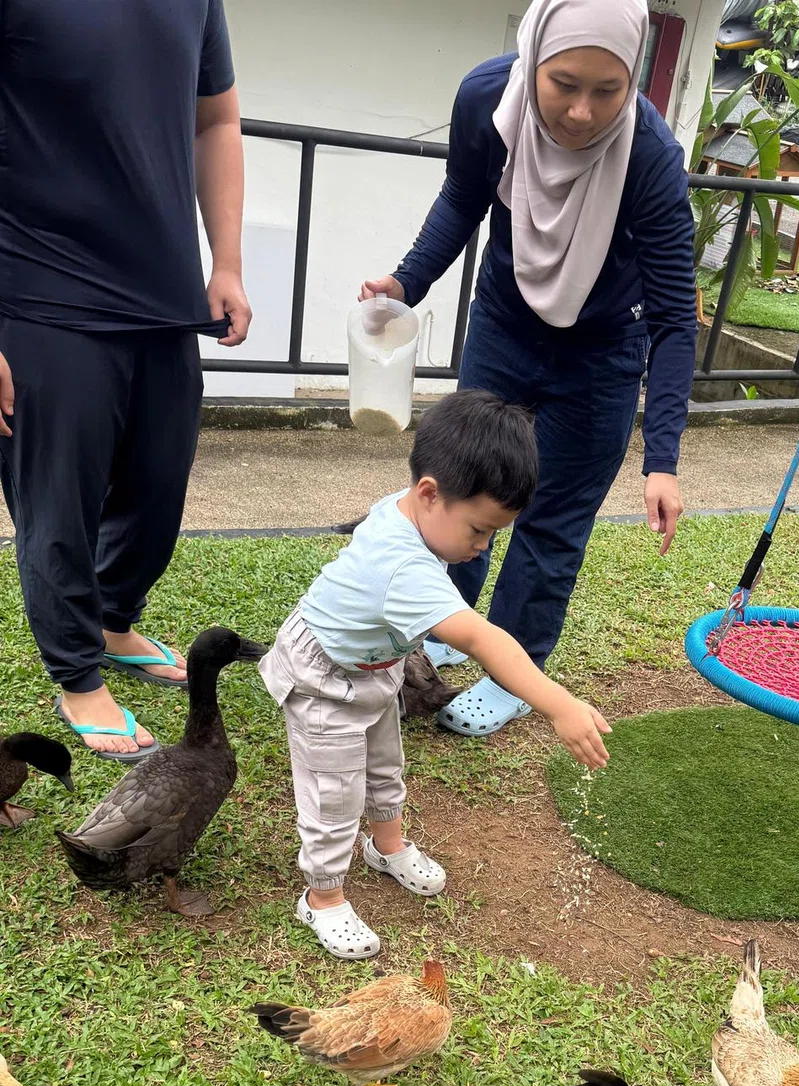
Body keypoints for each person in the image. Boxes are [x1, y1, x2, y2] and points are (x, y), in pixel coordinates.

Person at [361, 0, 696, 738]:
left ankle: (513, 674)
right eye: (564, 83)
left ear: (633, 77)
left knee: (551, 523)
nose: (581, 112)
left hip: (604, 351)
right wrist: (404, 283)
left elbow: (676, 317)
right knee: (459, 491)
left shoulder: (650, 157)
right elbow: (463, 199)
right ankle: (431, 628)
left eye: (608, 90)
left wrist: (662, 460)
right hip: (506, 326)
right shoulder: (487, 99)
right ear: (532, 57)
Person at [259, 390, 610, 961]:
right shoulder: (405, 565)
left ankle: (386, 846)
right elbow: (482, 638)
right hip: (323, 677)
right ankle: (321, 897)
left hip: (374, 668)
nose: (482, 546)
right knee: (334, 792)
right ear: (429, 493)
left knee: (383, 762)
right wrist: (558, 704)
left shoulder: (412, 507)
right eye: (478, 530)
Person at [0, 0, 251, 762]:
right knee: (58, 505)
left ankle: (114, 621)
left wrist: (228, 262)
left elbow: (217, 121)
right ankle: (77, 674)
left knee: (157, 488)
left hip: (163, 292)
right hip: (39, 287)